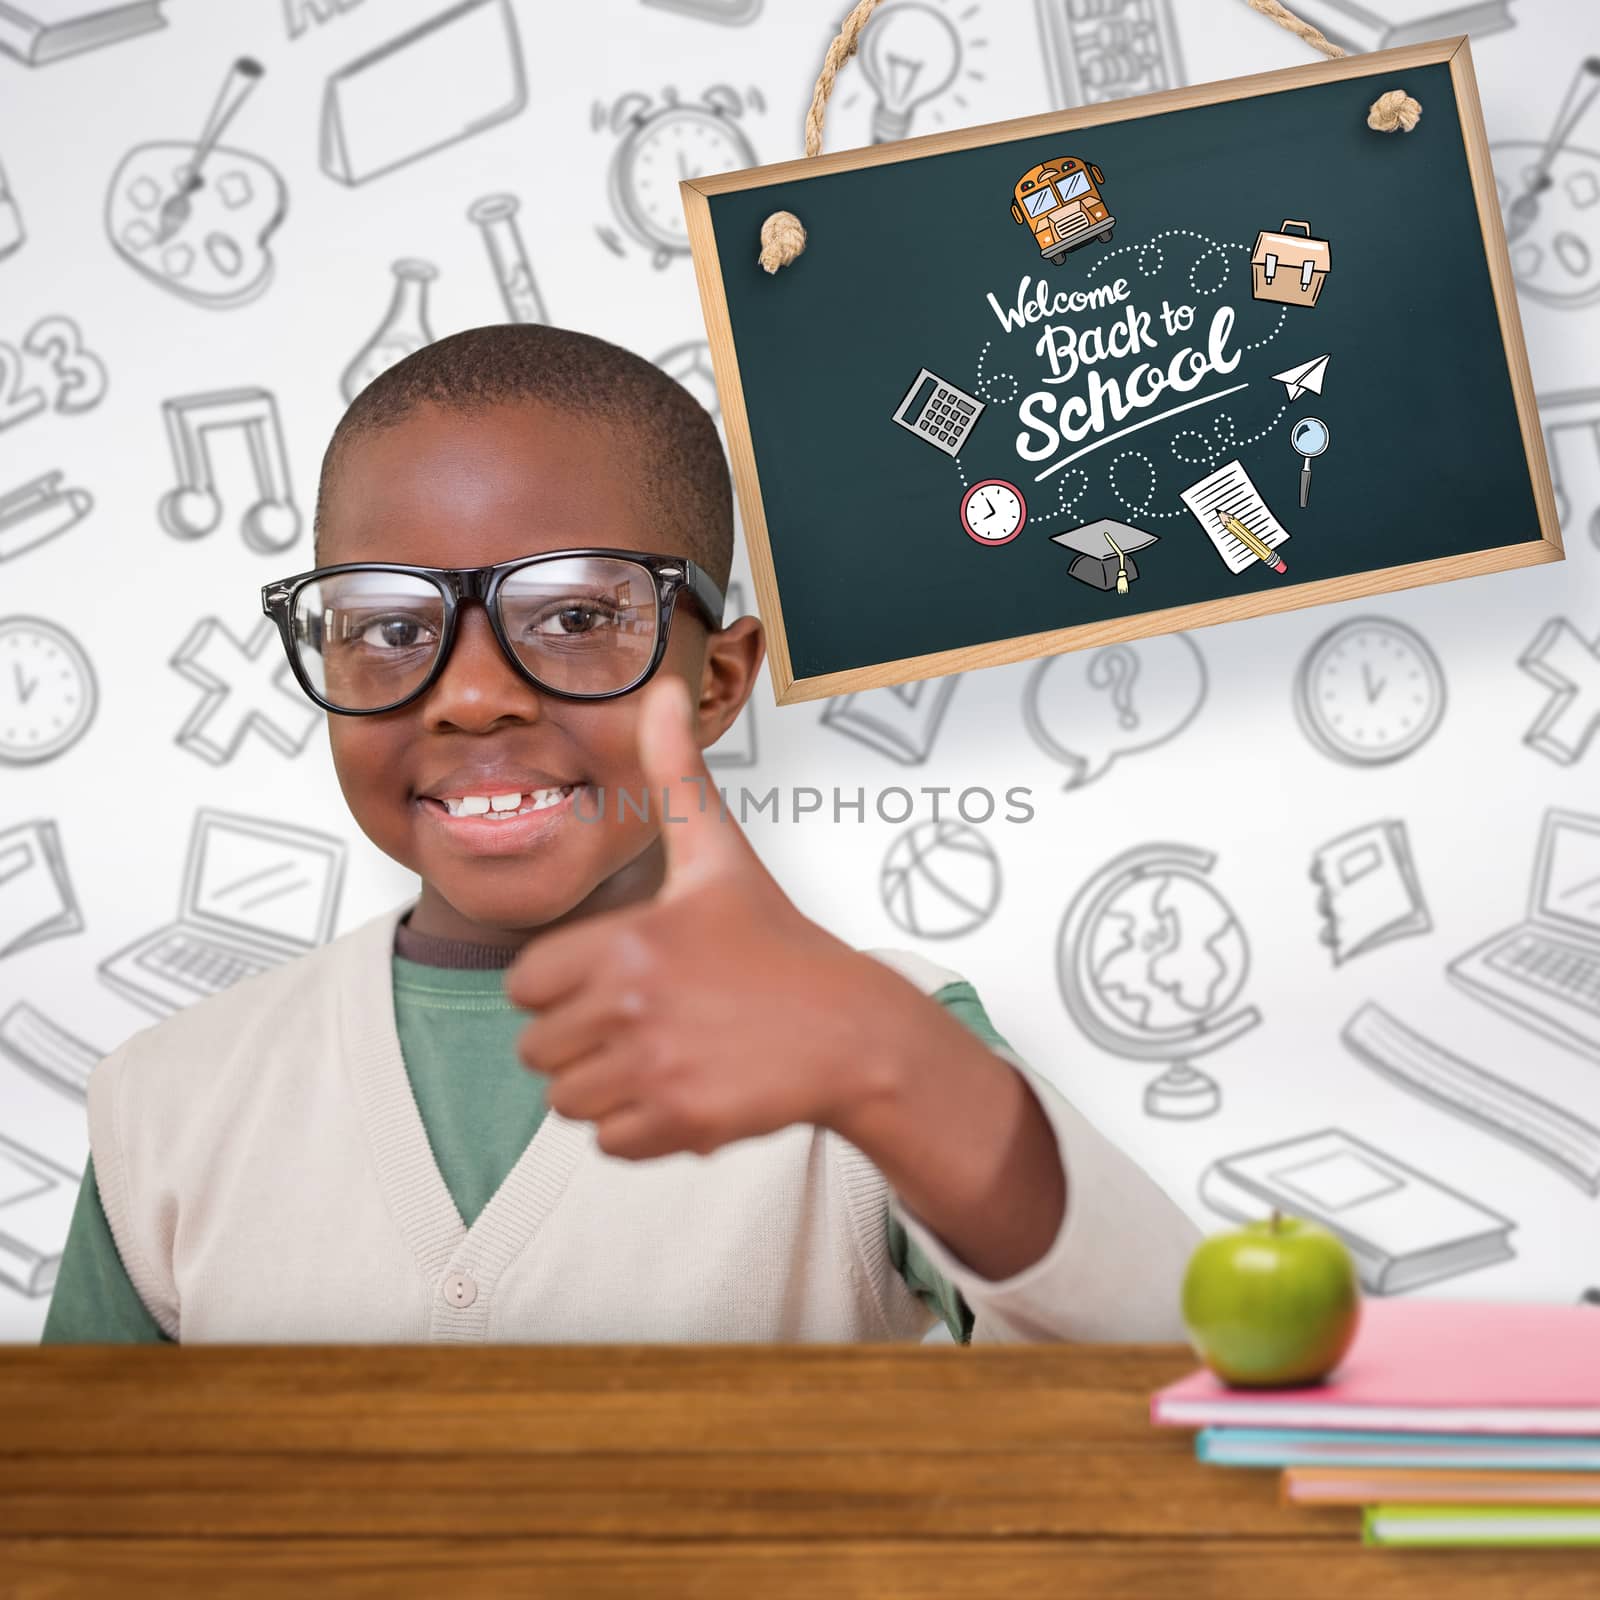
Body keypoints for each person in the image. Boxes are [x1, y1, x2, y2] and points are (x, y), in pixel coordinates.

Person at [41, 323, 1200, 1345]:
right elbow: (68, 1530)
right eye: (391, 625)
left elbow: (1169, 1369)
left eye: (579, 614)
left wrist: (895, 1066)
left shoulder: (867, 1047)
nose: (472, 694)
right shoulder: (167, 1099)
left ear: (716, 679)